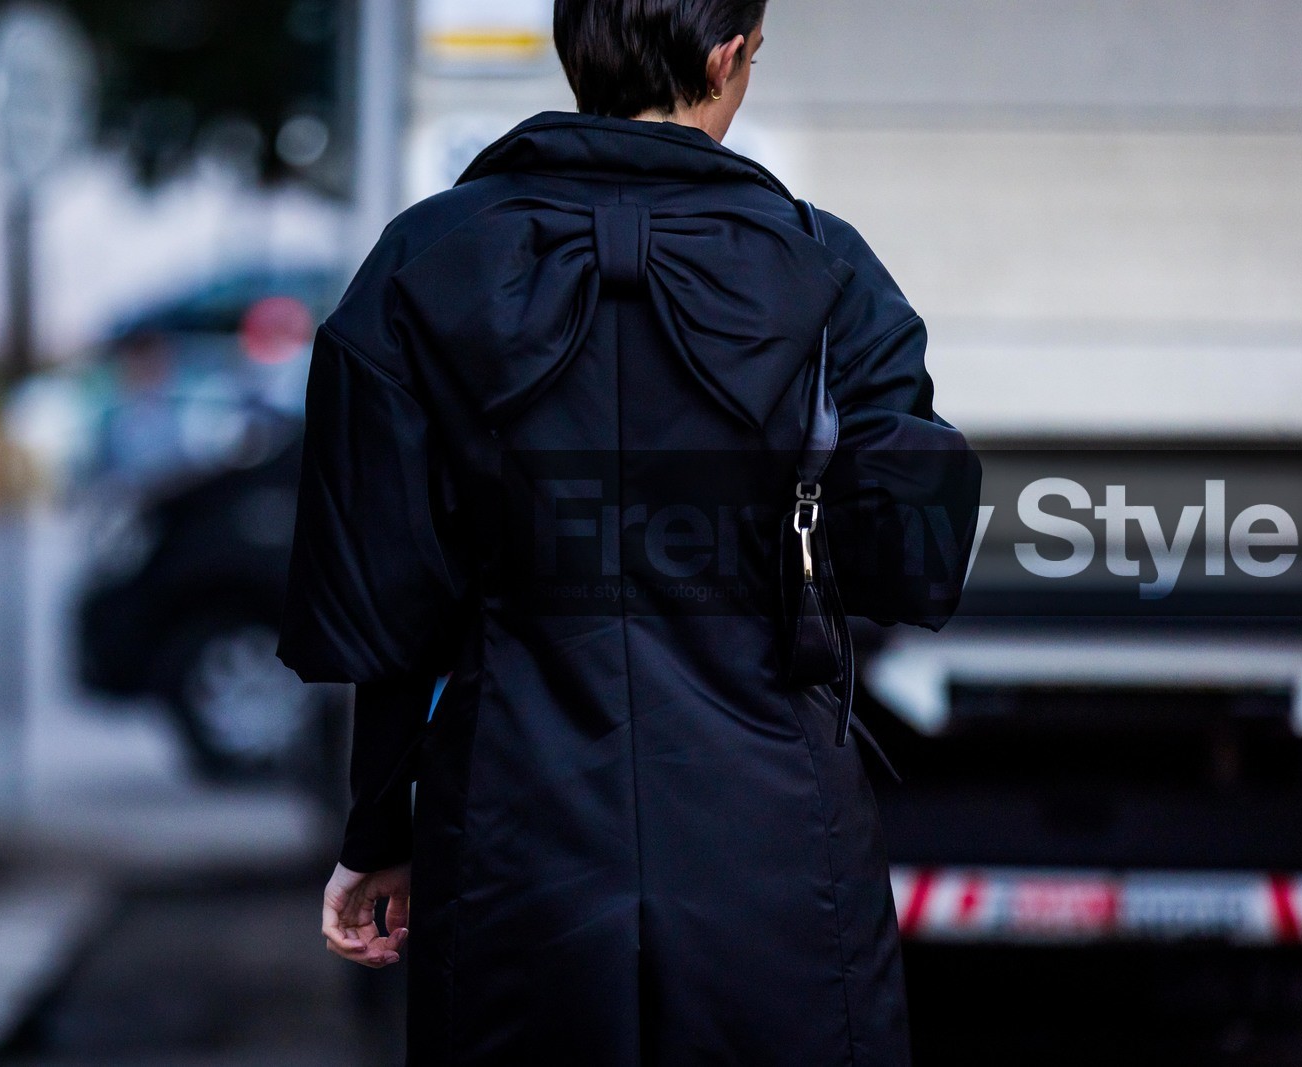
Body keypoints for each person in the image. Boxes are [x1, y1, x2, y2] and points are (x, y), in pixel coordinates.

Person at [278, 1, 981, 1062]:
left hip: (513, 840)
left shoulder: (424, 259)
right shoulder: (826, 268)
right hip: (775, 851)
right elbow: (908, 561)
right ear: (726, 56)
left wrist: (378, 829)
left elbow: (386, 608)